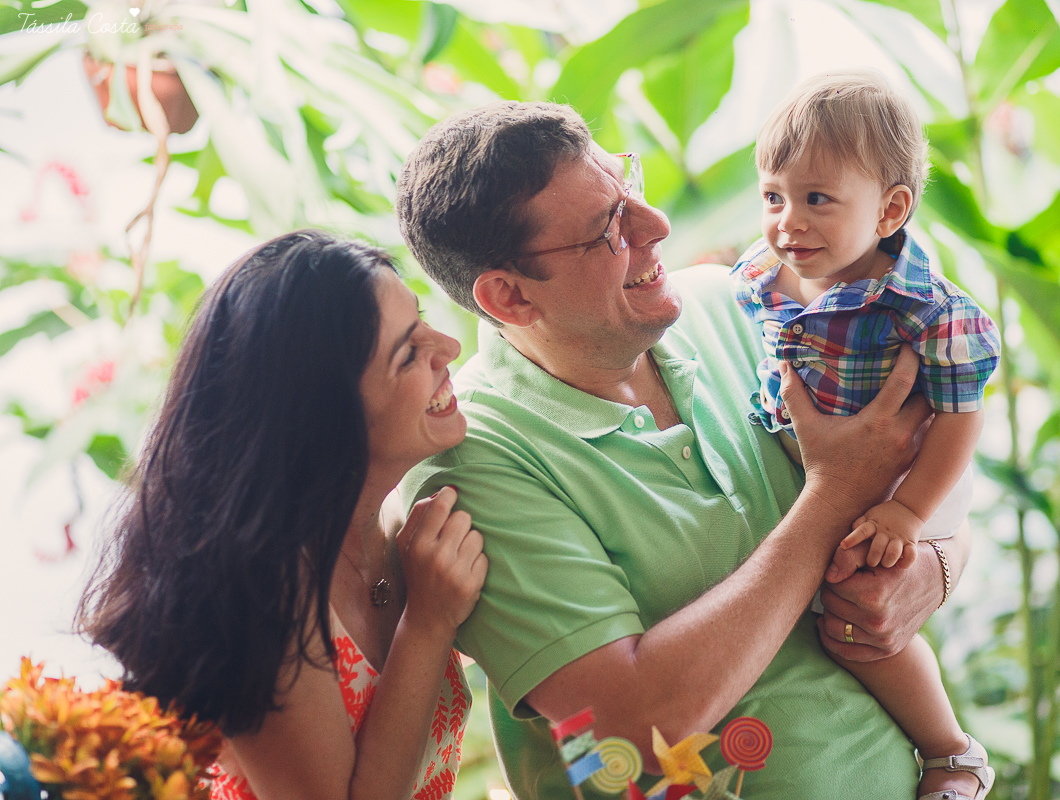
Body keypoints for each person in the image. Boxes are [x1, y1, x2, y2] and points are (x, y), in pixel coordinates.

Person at [393, 101, 970, 799]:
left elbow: (914, 467)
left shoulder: (741, 307)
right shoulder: (471, 457)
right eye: (608, 227)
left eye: (627, 185)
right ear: (509, 297)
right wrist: (833, 496)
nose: (657, 225)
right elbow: (630, 733)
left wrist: (934, 566)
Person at [77, 231, 488, 800]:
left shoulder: (402, 528)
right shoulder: (255, 588)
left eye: (421, 320)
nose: (449, 346)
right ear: (325, 420)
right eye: (408, 354)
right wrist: (427, 625)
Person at [731, 70, 1000, 799]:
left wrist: (909, 512)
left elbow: (959, 417)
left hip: (905, 480)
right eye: (773, 197)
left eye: (818, 199)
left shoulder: (927, 309)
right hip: (826, 470)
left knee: (854, 619)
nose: (789, 222)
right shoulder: (766, 273)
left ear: (890, 210)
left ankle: (952, 755)